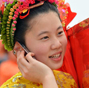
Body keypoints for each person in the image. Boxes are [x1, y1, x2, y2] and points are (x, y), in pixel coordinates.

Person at [0, 0, 78, 88]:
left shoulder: (68, 81)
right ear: (20, 48)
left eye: (59, 32)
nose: (57, 44)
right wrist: (47, 78)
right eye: (45, 37)